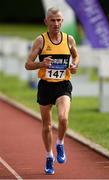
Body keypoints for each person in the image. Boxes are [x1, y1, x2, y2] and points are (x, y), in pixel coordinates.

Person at [25, 7, 79, 175]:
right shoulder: (40, 41)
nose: (56, 23)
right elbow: (28, 64)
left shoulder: (69, 39)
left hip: (63, 85)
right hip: (46, 86)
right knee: (47, 125)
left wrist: (75, 65)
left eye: (59, 20)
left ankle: (60, 143)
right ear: (46, 21)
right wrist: (42, 64)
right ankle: (49, 156)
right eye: (53, 20)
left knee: (63, 118)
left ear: (62, 21)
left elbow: (76, 56)